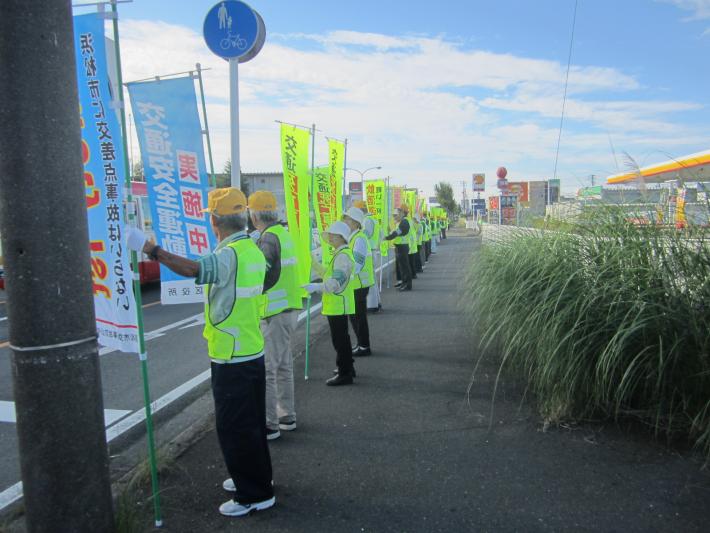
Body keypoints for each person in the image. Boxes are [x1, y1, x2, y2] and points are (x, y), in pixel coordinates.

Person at [126, 188, 275, 518]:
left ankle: (255, 494)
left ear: (214, 221)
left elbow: (194, 270)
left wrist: (152, 249)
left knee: (234, 426)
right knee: (250, 425)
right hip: (250, 348)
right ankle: (255, 479)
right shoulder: (250, 249)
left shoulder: (229, 255)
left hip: (232, 355)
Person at [248, 191, 302, 441]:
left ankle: (270, 424)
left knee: (269, 369)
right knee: (283, 367)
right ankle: (287, 416)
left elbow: (263, 276)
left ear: (255, 214)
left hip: (274, 312)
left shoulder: (268, 240)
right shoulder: (283, 234)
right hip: (289, 308)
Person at [303, 221, 357, 385]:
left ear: (341, 237)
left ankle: (344, 373)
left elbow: (334, 283)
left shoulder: (342, 256)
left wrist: (316, 287)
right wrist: (313, 263)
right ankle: (348, 368)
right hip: (337, 304)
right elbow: (328, 274)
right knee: (342, 339)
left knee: (339, 340)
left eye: (333, 235)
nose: (330, 238)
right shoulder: (340, 254)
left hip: (337, 304)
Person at [342, 206, 374, 357]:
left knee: (358, 317)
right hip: (356, 283)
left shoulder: (359, 239)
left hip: (359, 283)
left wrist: (345, 276)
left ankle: (364, 346)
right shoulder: (354, 237)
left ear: (355, 222)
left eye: (347, 219)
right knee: (355, 316)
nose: (345, 222)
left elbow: (358, 263)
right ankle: (361, 344)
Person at [353, 200, 382, 313]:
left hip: (369, 251)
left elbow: (366, 234)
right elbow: (381, 235)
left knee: (369, 280)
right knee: (371, 279)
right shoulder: (372, 219)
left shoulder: (367, 220)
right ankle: (376, 303)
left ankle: (372, 305)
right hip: (372, 250)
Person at [384, 207, 412, 291]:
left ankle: (407, 285)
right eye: (393, 215)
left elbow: (397, 233)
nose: (394, 217)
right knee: (401, 267)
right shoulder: (400, 222)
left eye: (396, 215)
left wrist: (387, 237)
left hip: (402, 247)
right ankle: (404, 283)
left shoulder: (404, 222)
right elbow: (395, 232)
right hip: (399, 247)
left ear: (402, 214)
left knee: (404, 267)